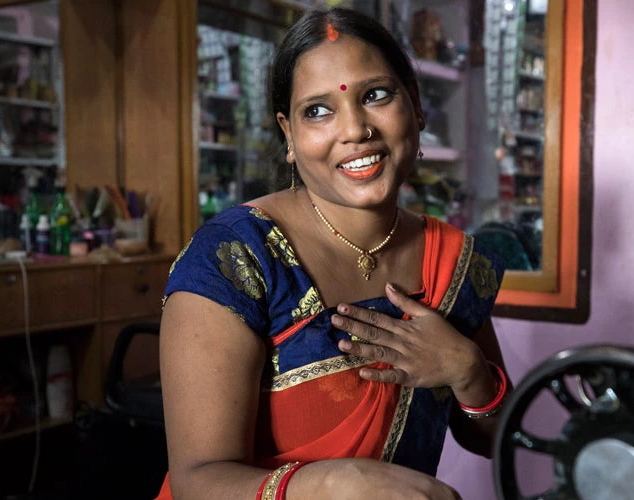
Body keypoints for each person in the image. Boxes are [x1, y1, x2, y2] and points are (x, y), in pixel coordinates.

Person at [156, 8, 508, 500]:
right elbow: (197, 481)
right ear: (289, 137)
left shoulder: (453, 261)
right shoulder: (235, 257)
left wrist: (469, 372)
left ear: (417, 105)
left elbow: (494, 441)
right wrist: (330, 482)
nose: (355, 129)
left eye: (376, 95)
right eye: (317, 110)